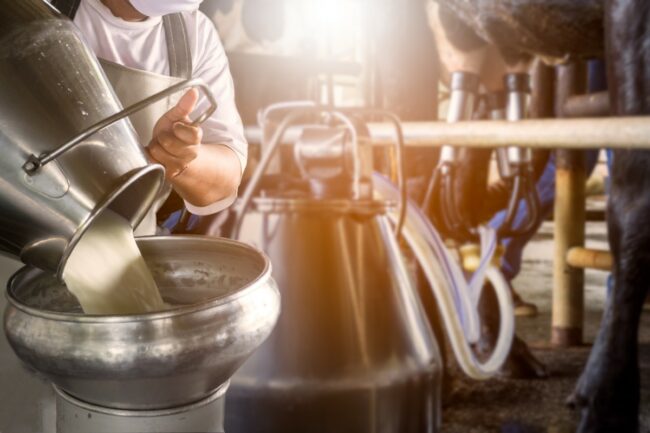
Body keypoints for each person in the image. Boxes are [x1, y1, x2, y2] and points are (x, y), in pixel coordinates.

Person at [51, 0, 247, 234]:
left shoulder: (194, 35)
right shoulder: (27, 8)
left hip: (127, 252)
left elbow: (225, 180)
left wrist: (183, 158)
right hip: (16, 249)